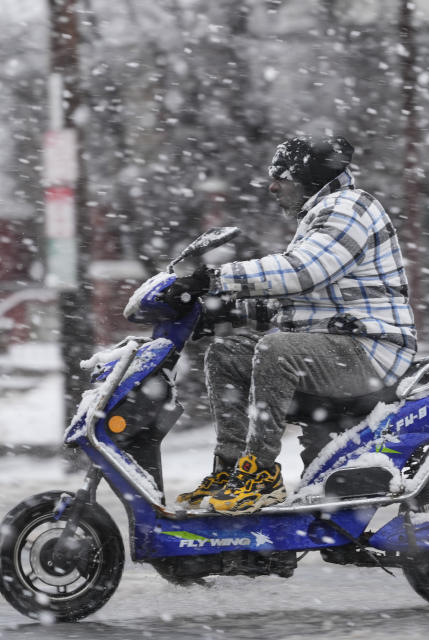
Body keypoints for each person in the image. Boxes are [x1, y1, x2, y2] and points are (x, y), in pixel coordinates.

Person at [169, 135, 416, 514]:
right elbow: (306, 304)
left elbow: (303, 272)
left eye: (279, 175)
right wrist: (227, 312)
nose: (272, 185)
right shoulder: (323, 214)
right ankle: (232, 468)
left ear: (308, 177)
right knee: (227, 353)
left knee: (277, 349)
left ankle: (260, 476)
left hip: (372, 351)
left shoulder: (350, 207)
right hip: (338, 346)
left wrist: (214, 279)